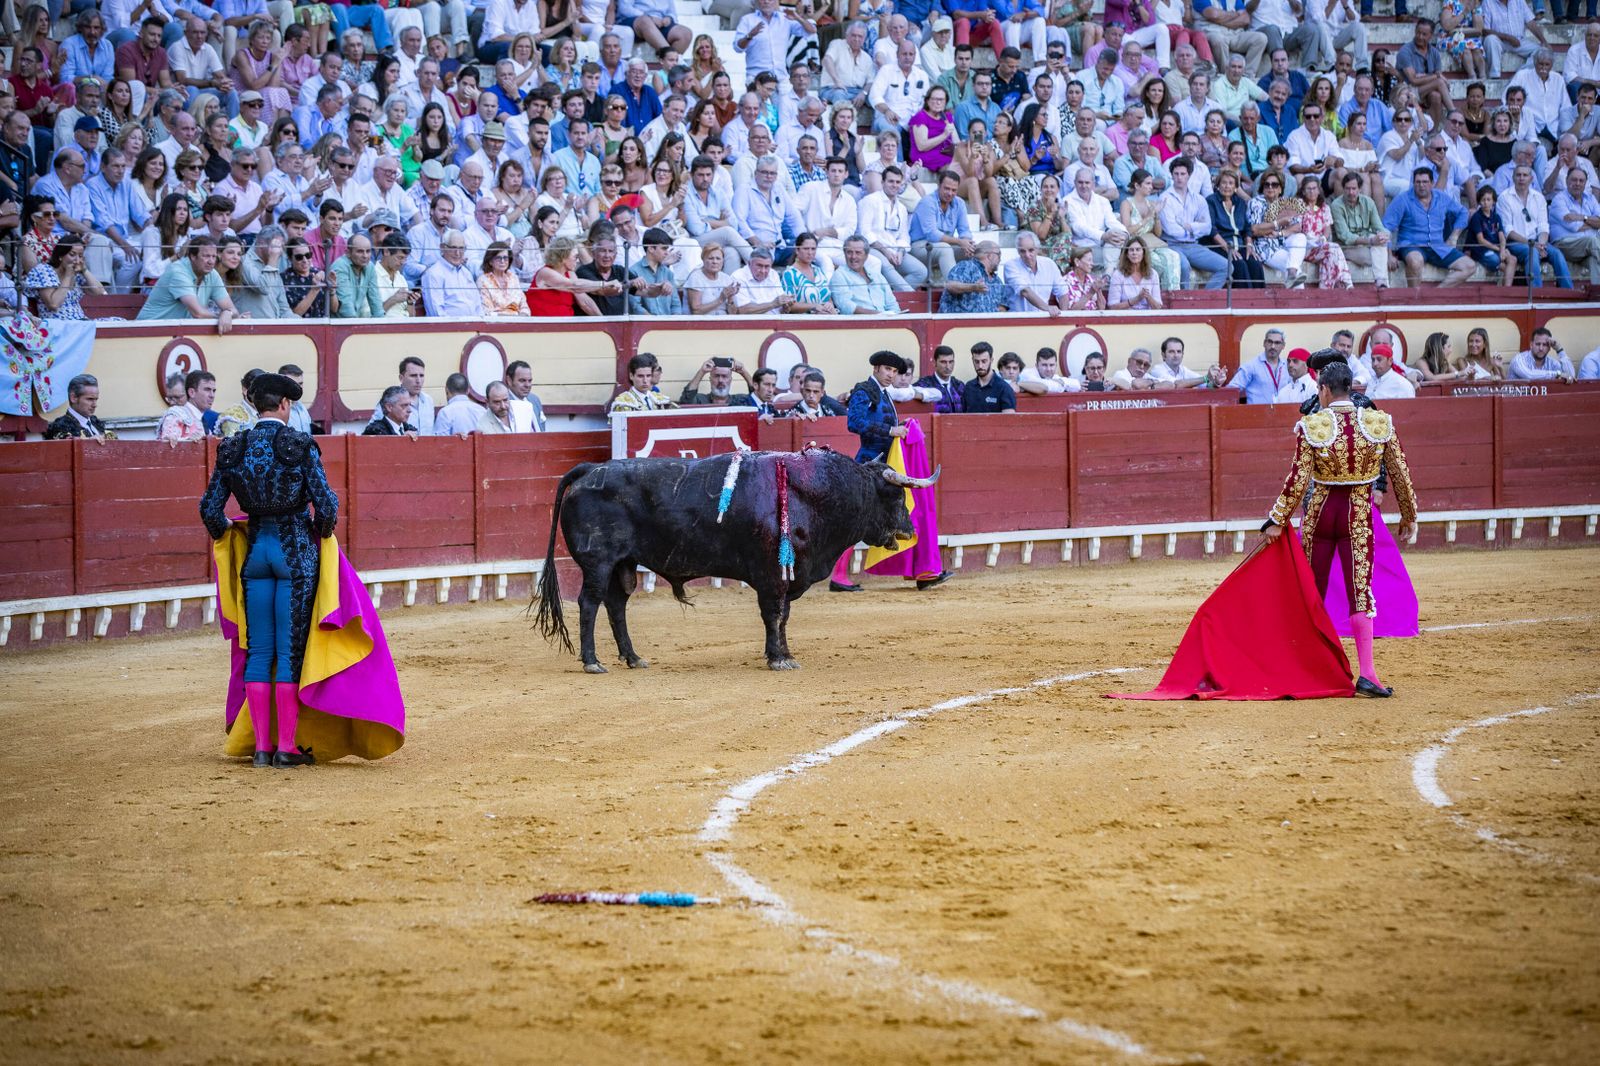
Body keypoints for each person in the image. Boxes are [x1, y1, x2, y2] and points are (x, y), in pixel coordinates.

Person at [200, 372, 339, 767]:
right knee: (290, 651)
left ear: (254, 403)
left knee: (258, 650)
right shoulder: (297, 444)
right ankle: (287, 748)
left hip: (255, 555)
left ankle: (261, 748)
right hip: (294, 554)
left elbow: (210, 510)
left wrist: (233, 535)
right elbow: (326, 506)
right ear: (284, 405)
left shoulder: (233, 447)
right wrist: (320, 534)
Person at [1264, 361, 1418, 698]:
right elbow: (1400, 474)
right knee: (1360, 592)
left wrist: (1277, 520)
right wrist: (1409, 515)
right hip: (1357, 514)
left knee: (1313, 593)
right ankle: (1368, 675)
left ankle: (1307, 669)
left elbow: (1297, 480)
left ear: (1323, 389)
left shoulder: (1313, 425)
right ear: (1351, 388)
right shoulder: (1378, 423)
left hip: (1320, 514)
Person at [43, 373, 113, 440]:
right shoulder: (60, 427)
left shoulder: (95, 422)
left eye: (96, 399)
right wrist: (88, 443)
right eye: (90, 399)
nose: (95, 405)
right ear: (73, 398)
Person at [1230, 328, 1290, 403]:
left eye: (1277, 343)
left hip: (1283, 412)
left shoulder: (1287, 367)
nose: (1273, 346)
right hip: (1257, 413)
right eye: (1270, 342)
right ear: (1264, 343)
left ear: (1283, 346)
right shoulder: (1251, 366)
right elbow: (1231, 390)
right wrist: (1217, 383)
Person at [960, 341, 1017, 414]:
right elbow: (963, 417)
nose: (980, 366)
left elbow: (1009, 421)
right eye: (977, 362)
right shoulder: (969, 387)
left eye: (984, 361)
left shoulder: (1004, 388)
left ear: (991, 360)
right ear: (972, 361)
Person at [609, 353, 675, 415]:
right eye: (640, 376)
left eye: (648, 375)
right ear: (631, 376)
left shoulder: (660, 399)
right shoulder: (623, 402)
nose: (645, 381)